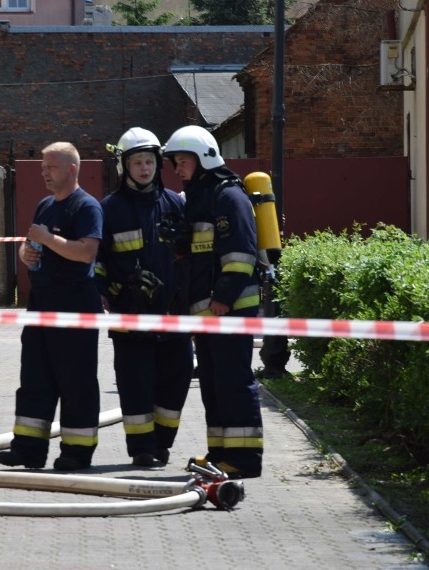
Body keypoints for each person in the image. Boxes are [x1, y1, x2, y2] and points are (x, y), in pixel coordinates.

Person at [161, 125, 264, 479]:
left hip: (229, 309)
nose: (177, 168)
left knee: (233, 381)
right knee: (214, 384)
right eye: (174, 162)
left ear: (203, 157)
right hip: (206, 313)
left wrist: (223, 298)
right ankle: (221, 454)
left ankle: (245, 459)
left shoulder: (228, 196)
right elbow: (197, 259)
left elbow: (240, 254)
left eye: (182, 160)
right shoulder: (200, 197)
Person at [0, 142, 104, 471]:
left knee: (76, 382)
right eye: (42, 166)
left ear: (72, 169)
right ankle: (27, 449)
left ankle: (76, 452)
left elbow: (86, 252)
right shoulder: (45, 206)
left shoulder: (87, 207)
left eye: (51, 167)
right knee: (35, 378)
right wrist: (25, 253)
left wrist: (46, 240)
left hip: (74, 304)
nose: (44, 172)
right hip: (42, 303)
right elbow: (31, 245)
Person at [96, 127, 193, 467]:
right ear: (124, 167)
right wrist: (117, 290)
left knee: (177, 379)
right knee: (135, 385)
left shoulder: (175, 205)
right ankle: (142, 450)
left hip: (173, 314)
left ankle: (163, 443)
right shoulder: (109, 209)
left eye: (149, 161)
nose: (144, 168)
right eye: (137, 162)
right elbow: (98, 263)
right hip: (130, 315)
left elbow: (193, 254)